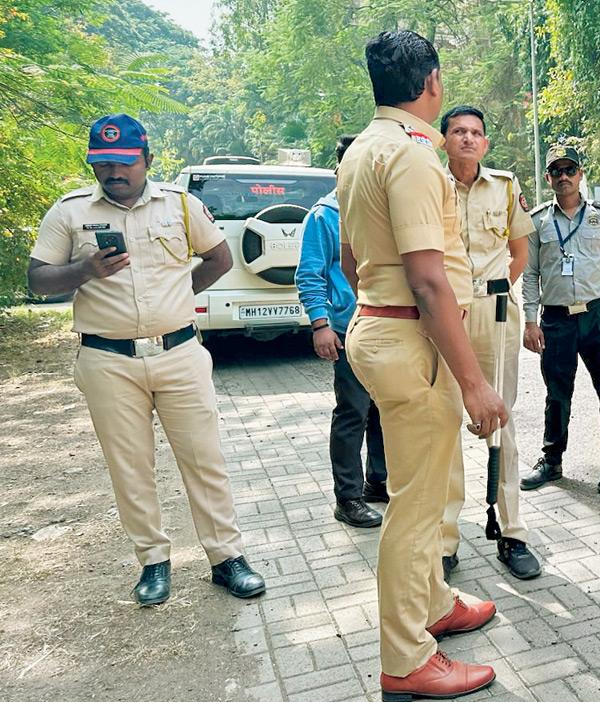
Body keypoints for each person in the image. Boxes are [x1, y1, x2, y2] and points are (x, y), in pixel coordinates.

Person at [27, 113, 266, 606]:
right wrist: (83, 270)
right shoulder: (70, 212)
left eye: (125, 162)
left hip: (178, 352)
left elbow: (219, 258)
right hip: (107, 360)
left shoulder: (179, 205)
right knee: (130, 467)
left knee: (205, 459)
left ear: (148, 160)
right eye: (104, 163)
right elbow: (38, 279)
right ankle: (154, 562)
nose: (114, 172)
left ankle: (227, 558)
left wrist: (180, 294)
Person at [338, 30, 508, 702]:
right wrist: (473, 382)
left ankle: (434, 604)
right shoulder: (410, 159)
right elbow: (430, 281)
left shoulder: (361, 151)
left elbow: (354, 261)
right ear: (432, 83)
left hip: (387, 328)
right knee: (414, 508)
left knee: (429, 489)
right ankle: (406, 657)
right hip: (414, 341)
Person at [438, 105, 541, 580]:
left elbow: (519, 251)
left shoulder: (504, 186)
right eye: (458, 131)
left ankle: (511, 530)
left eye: (475, 132)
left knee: (501, 421)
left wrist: (492, 289)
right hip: (444, 317)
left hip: (496, 313)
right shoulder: (429, 184)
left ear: (485, 143)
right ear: (444, 140)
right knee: (441, 427)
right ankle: (444, 540)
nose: (467, 138)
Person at [521, 144, 600, 494]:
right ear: (548, 177)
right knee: (557, 393)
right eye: (557, 171)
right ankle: (552, 461)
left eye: (570, 169)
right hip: (556, 319)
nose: (564, 177)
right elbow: (529, 274)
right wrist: (530, 321)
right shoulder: (537, 221)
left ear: (581, 174)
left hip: (598, 314)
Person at [296, 133, 388, 529]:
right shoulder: (323, 215)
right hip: (348, 329)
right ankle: (347, 497)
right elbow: (309, 273)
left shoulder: (377, 208)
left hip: (385, 324)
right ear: (341, 168)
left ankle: (379, 482)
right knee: (353, 411)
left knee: (385, 409)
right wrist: (320, 324)